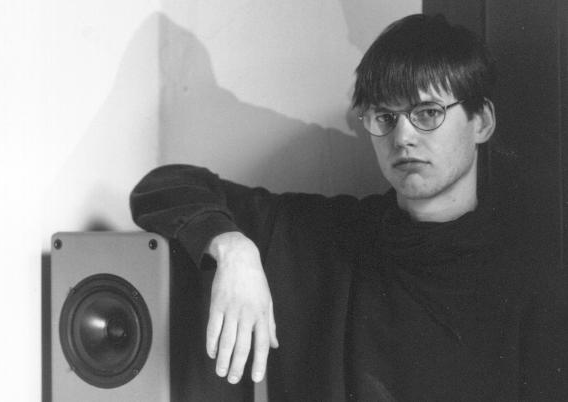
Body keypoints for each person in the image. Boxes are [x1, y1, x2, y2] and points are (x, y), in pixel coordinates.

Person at [130, 14, 567, 401]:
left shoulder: (531, 273)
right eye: (385, 117)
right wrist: (231, 248)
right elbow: (163, 187)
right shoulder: (330, 235)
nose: (403, 137)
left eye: (428, 113)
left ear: (482, 122)